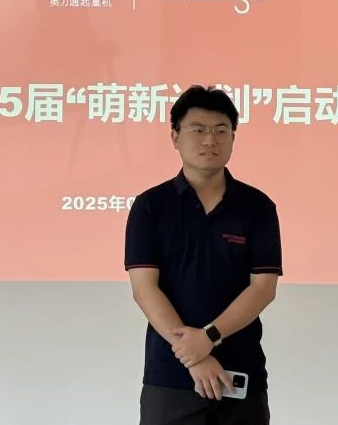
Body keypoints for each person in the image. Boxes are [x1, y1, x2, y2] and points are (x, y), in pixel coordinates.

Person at [125, 85, 283, 425]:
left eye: (221, 131)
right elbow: (144, 289)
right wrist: (194, 356)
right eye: (198, 130)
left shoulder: (257, 207)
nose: (210, 140)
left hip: (240, 376)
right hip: (171, 379)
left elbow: (263, 288)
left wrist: (209, 337)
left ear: (233, 138)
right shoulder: (151, 206)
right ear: (175, 137)